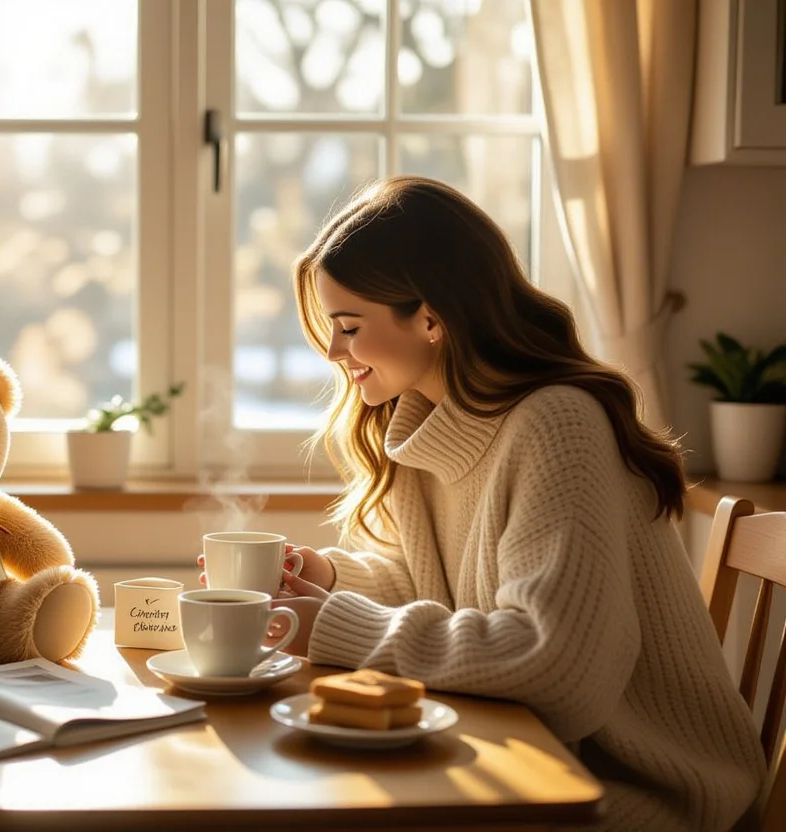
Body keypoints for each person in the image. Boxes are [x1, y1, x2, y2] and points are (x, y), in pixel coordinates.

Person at [249, 176, 762, 830]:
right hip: (527, 761)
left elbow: (557, 669)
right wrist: (323, 578)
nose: (332, 351)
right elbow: (426, 587)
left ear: (431, 318)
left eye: (349, 326)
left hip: (639, 790)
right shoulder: (419, 431)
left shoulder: (558, 425)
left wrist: (329, 624)